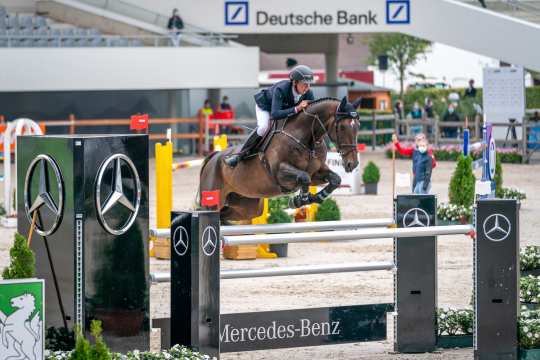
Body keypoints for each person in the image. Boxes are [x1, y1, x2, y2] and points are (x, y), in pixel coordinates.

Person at [224, 65, 315, 167]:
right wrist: (296, 109)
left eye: (309, 84)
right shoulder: (281, 89)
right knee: (264, 127)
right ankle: (239, 155)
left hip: (284, 110)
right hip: (265, 107)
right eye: (304, 84)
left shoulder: (308, 93)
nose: (307, 88)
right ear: (295, 82)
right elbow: (275, 114)